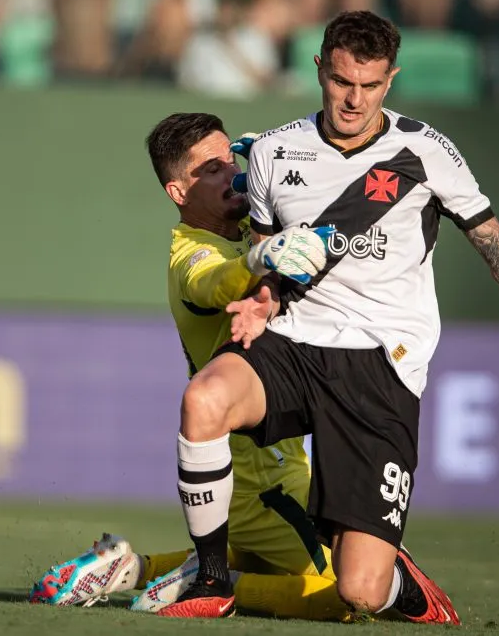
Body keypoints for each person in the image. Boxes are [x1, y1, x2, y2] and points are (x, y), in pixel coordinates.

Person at [160, 10, 499, 621]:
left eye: (370, 85)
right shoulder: (276, 152)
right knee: (204, 401)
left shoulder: (425, 151)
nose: (353, 100)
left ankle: (407, 591)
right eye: (340, 81)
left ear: (392, 79)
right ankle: (211, 583)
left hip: (382, 365)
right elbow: (274, 256)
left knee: (358, 590)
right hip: (296, 344)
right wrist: (262, 298)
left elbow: (498, 245)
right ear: (319, 69)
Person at [27, 112, 373, 621]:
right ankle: (212, 580)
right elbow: (216, 283)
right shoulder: (189, 253)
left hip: (288, 465)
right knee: (354, 597)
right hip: (255, 483)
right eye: (210, 170)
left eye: (230, 159)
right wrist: (262, 259)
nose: (231, 173)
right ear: (177, 191)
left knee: (358, 570)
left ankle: (133, 569)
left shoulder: (255, 228)